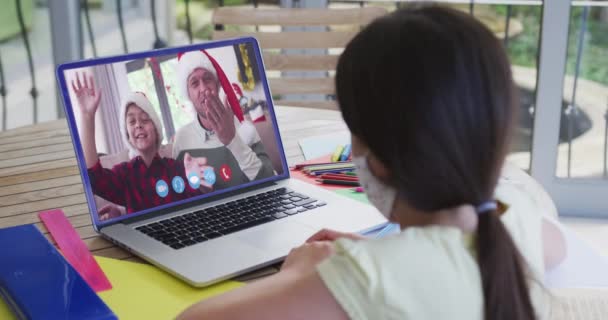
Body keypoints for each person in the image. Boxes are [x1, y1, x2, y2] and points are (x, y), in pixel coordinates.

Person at [177, 5, 566, 320]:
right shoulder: (519, 218)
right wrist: (386, 252)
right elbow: (555, 246)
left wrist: (302, 275)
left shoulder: (364, 279)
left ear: (377, 161)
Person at [72, 72, 214, 217]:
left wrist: (199, 184)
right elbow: (94, 178)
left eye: (145, 119)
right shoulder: (125, 175)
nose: (138, 125)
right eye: (132, 121)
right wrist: (87, 116)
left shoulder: (176, 168)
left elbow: (197, 206)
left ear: (156, 129)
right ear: (128, 135)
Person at [172, 50, 275, 191]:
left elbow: (270, 180)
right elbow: (179, 197)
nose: (203, 89)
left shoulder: (244, 128)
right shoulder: (182, 140)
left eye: (207, 79)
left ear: (217, 84)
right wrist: (195, 188)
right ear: (188, 94)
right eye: (194, 83)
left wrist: (233, 140)